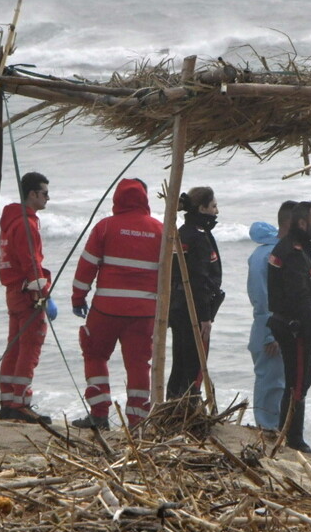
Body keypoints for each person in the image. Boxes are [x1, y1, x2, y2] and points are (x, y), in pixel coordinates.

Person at [69, 178, 163, 430]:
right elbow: (169, 274)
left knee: (95, 354)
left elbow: (86, 266)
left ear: (117, 199)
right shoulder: (159, 229)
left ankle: (99, 414)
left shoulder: (105, 227)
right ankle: (137, 421)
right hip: (144, 313)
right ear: (144, 199)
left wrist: (78, 298)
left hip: (106, 310)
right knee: (139, 365)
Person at [267, 201, 311, 455]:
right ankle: (293, 438)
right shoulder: (292, 251)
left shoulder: (299, 248)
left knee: (300, 379)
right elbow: (299, 296)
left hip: (294, 323)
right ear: (302, 223)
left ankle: (288, 433)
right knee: (298, 381)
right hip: (295, 326)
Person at [0, 171, 57, 424]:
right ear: (32, 194)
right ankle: (20, 404)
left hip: (14, 291)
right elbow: (31, 262)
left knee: (15, 345)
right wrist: (43, 295)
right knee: (29, 347)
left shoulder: (13, 220)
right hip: (27, 293)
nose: (48, 198)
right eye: (44, 193)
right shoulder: (25, 223)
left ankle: (8, 400)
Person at [166, 186, 225, 400]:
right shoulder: (198, 237)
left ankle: (173, 405)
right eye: (213, 206)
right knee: (194, 366)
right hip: (193, 309)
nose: (216, 212)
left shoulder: (182, 233)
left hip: (178, 306)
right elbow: (199, 281)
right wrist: (205, 317)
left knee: (180, 361)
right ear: (202, 208)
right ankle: (187, 409)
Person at [246, 200, 296, 431]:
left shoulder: (279, 249)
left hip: (277, 325)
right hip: (269, 326)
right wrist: (270, 333)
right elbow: (261, 296)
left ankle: (274, 427)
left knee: (279, 381)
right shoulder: (267, 254)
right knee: (270, 381)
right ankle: (267, 428)